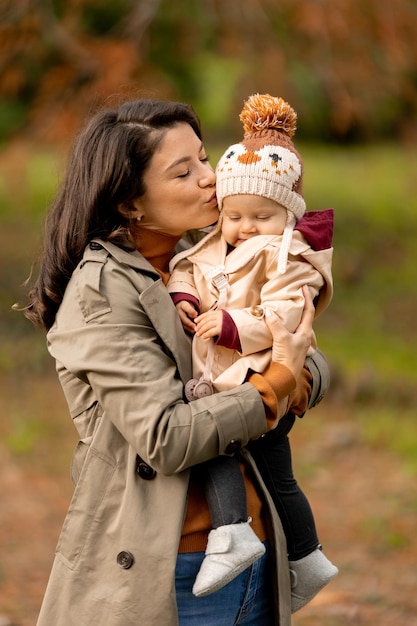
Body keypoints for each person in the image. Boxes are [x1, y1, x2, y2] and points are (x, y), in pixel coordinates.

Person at [20, 96, 329, 626]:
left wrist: (293, 375)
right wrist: (275, 381)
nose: (211, 179)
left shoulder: (218, 257)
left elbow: (308, 353)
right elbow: (167, 437)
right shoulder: (102, 291)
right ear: (130, 203)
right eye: (183, 172)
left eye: (206, 159)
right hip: (174, 568)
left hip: (257, 545)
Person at [168, 94, 338, 609]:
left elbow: (288, 318)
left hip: (257, 370)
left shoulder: (289, 257)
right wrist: (184, 295)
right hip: (234, 375)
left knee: (221, 441)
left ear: (287, 217)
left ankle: (234, 531)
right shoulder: (214, 245)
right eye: (234, 215)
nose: (245, 228)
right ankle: (305, 558)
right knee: (275, 470)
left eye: (261, 217)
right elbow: (187, 266)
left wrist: (231, 325)